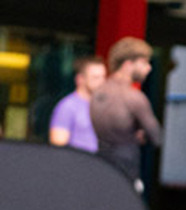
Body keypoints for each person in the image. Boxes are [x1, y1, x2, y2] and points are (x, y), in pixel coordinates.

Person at [90, 37, 162, 191]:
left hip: (99, 164)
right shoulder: (134, 98)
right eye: (144, 62)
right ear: (128, 64)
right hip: (126, 170)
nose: (149, 68)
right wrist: (140, 133)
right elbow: (156, 136)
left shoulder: (97, 93)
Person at [49, 56, 106, 152]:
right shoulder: (67, 107)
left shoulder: (103, 106)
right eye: (95, 77)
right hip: (76, 164)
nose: (101, 81)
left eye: (103, 77)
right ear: (80, 79)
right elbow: (58, 145)